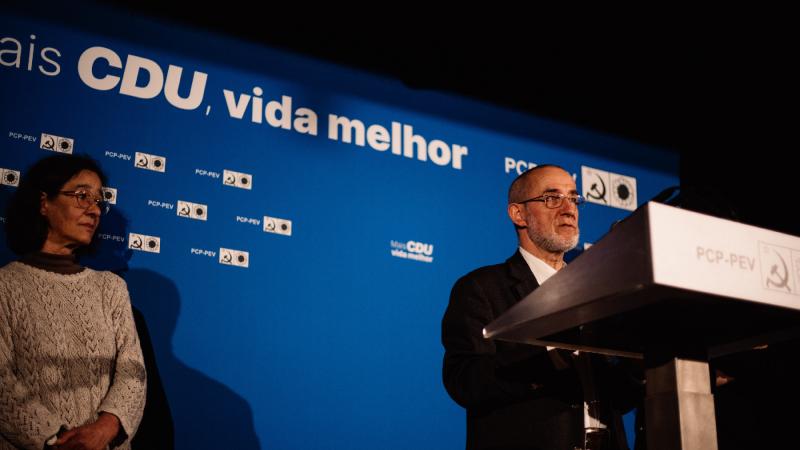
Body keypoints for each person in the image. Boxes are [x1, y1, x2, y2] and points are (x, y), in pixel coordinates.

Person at [442, 164, 639, 450]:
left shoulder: (598, 291)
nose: (569, 209)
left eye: (573, 198)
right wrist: (549, 355)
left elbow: (619, 397)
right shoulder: (482, 288)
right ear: (518, 214)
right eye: (552, 198)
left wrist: (638, 368)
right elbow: (465, 382)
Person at [0, 154, 146, 450]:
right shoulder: (6, 285)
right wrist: (59, 440)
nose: (94, 210)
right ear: (44, 203)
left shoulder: (112, 288)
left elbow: (133, 374)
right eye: (82, 196)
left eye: (98, 201)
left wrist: (106, 428)